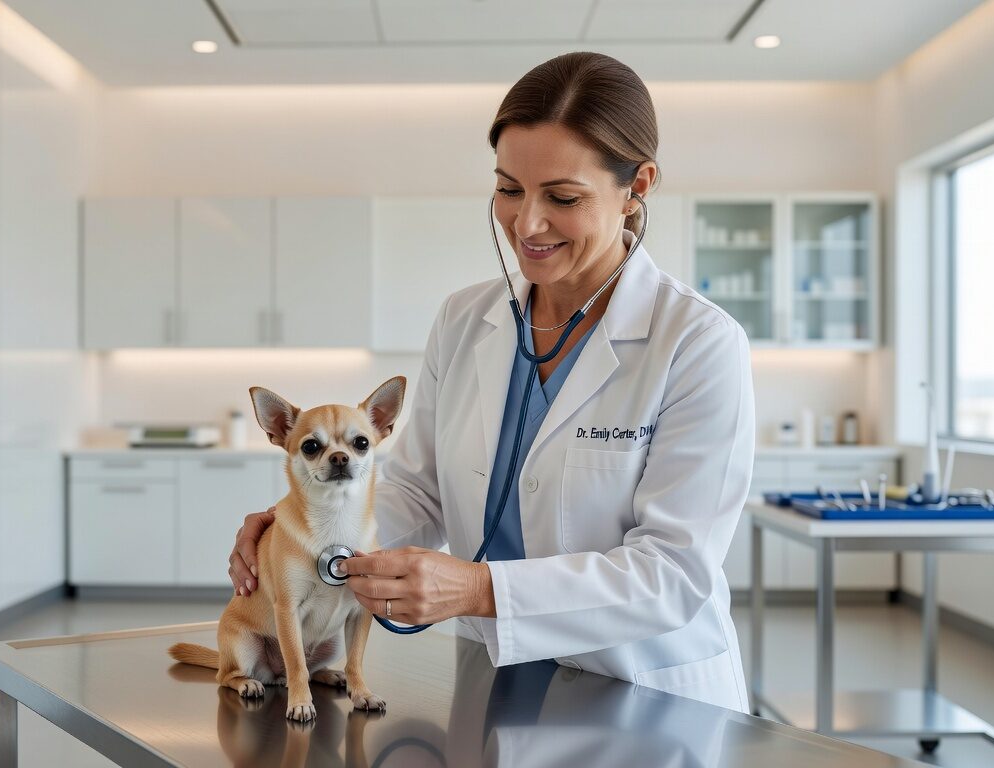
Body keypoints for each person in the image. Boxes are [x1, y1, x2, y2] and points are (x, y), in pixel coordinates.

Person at [229, 51, 754, 712]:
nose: (525, 224)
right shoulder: (466, 319)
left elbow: (673, 574)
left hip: (645, 693)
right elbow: (418, 495)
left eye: (562, 197)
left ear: (638, 186)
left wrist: (480, 590)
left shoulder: (698, 343)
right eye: (508, 188)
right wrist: (307, 534)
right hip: (492, 678)